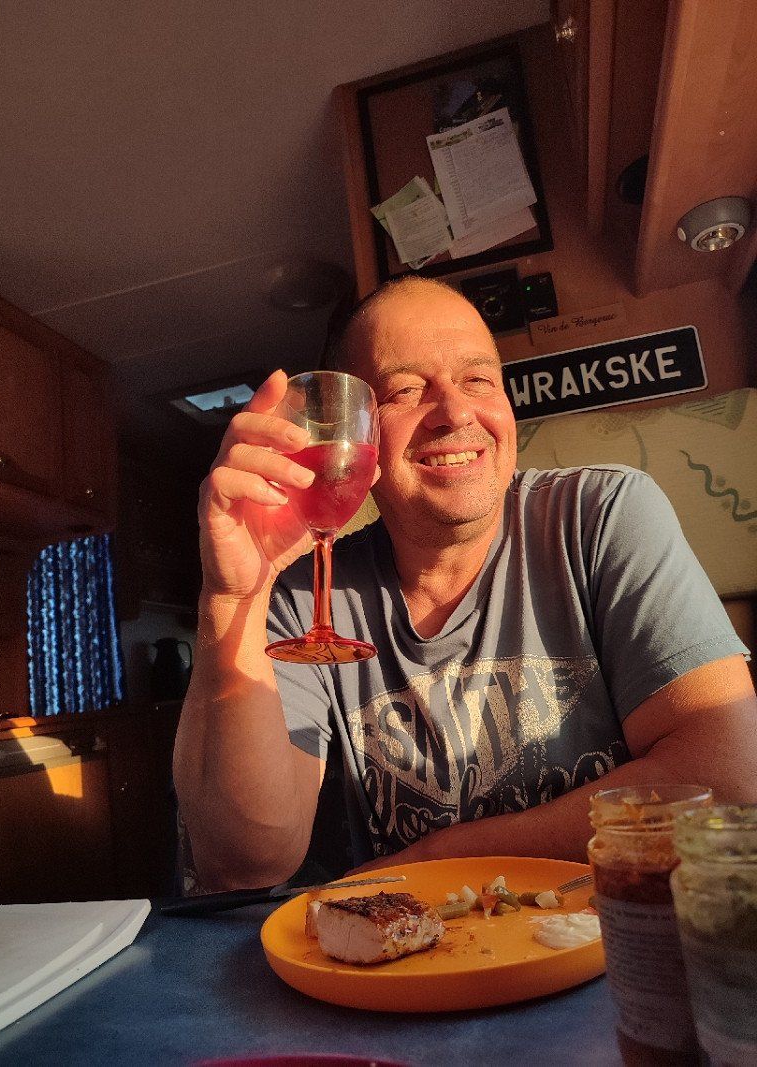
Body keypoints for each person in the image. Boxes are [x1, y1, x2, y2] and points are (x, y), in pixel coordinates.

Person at [173, 276, 757, 892]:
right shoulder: (305, 596)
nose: (455, 412)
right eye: (405, 390)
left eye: (478, 380)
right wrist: (233, 596)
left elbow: (727, 778)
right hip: (415, 948)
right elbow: (245, 862)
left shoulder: (602, 515)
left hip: (613, 931)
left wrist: (435, 858)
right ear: (356, 432)